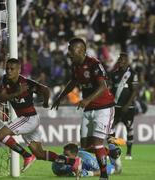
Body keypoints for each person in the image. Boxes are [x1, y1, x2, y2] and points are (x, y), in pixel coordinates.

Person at [0, 58, 82, 176]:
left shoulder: (27, 84)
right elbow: (1, 98)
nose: (9, 71)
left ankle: (27, 156)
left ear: (19, 70)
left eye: (12, 69)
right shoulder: (6, 80)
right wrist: (16, 93)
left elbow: (46, 90)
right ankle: (72, 161)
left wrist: (45, 102)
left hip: (28, 118)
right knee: (40, 154)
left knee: (0, 134)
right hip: (28, 119)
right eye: (7, 69)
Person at [51, 37, 120, 180]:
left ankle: (104, 175)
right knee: (85, 146)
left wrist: (87, 99)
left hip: (104, 107)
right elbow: (73, 81)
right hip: (88, 108)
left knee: (96, 143)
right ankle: (111, 153)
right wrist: (60, 96)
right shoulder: (75, 65)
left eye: (71, 50)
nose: (69, 53)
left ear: (81, 50)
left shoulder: (94, 64)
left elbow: (103, 87)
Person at [107, 53, 140, 160]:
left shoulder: (133, 73)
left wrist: (127, 104)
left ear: (127, 61)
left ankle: (129, 153)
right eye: (119, 59)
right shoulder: (114, 74)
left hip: (128, 107)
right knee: (111, 129)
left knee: (129, 128)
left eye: (122, 59)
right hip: (115, 106)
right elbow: (111, 90)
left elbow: (135, 91)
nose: (120, 61)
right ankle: (113, 151)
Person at [52, 143, 120, 177]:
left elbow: (103, 170)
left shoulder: (88, 161)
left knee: (116, 170)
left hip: (87, 160)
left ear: (75, 156)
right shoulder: (57, 164)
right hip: (80, 154)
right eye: (64, 154)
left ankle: (113, 153)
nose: (65, 157)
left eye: (67, 155)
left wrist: (91, 173)